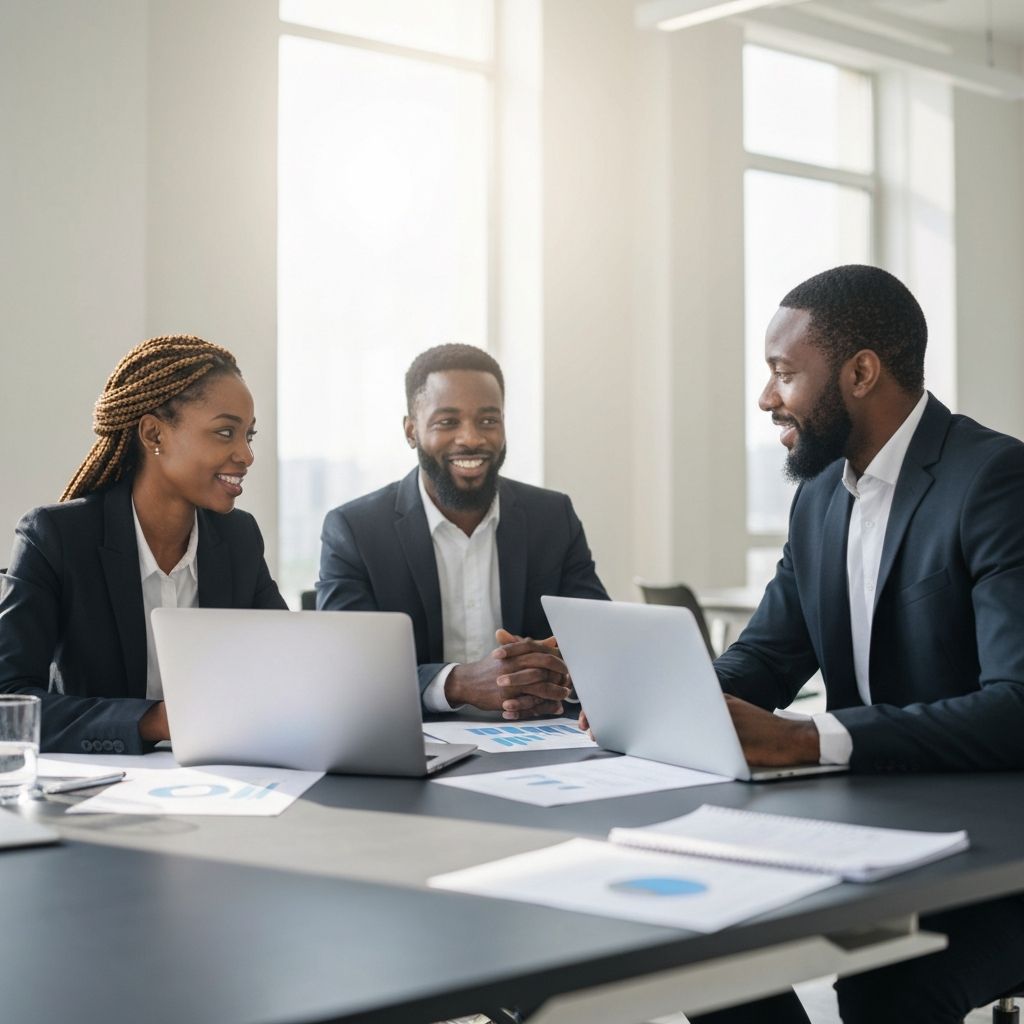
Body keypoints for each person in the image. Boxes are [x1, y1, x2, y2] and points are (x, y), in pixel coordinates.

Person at [690, 265, 1024, 1024]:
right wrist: (676, 699)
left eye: (783, 374)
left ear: (861, 372)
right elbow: (768, 656)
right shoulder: (818, 498)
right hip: (868, 826)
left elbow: (1017, 706)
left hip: (994, 853)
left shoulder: (995, 479)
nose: (766, 397)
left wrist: (809, 739)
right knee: (709, 944)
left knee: (887, 986)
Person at [0, 335, 286, 755]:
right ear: (154, 433)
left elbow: (286, 666)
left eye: (249, 436)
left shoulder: (238, 538)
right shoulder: (55, 538)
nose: (246, 455)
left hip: (224, 777)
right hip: (97, 796)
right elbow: (8, 702)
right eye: (225, 432)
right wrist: (154, 721)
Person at [317, 343, 608, 718]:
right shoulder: (356, 530)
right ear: (411, 431)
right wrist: (458, 683)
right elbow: (346, 670)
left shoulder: (553, 517)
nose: (471, 438)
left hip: (540, 740)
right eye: (447, 422)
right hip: (414, 745)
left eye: (488, 420)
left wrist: (549, 673)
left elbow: (601, 646)